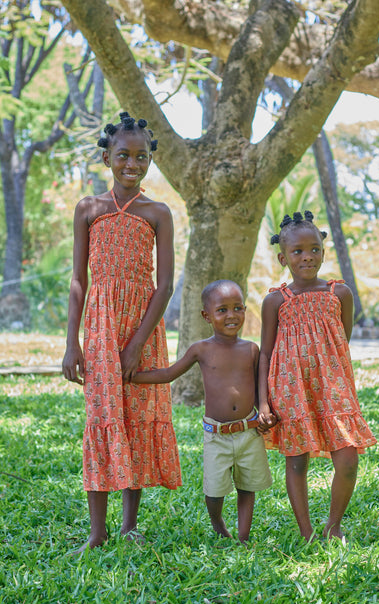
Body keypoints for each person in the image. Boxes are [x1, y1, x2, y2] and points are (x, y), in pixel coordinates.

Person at [62, 111, 181, 552]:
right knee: (102, 417)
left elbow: (165, 284)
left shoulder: (158, 213)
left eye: (142, 156)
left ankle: (130, 526)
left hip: (143, 326)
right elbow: (79, 280)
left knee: (137, 420)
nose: (133, 163)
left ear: (150, 160)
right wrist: (72, 341)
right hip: (99, 327)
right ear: (108, 157)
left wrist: (136, 345)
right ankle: (98, 532)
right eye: (123, 155)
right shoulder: (88, 209)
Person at [258, 211, 377, 542]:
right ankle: (307, 531)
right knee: (297, 464)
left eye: (314, 249)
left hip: (334, 391)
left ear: (324, 251)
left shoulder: (340, 294)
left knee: (348, 459)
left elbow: (343, 338)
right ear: (284, 257)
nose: (307, 256)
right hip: (291, 392)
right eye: (297, 251)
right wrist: (263, 401)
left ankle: (333, 525)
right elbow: (265, 352)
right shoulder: (275, 301)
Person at [132, 280, 275, 543]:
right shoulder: (202, 349)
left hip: (248, 430)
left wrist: (265, 410)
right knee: (214, 489)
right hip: (217, 434)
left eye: (238, 308)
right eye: (222, 310)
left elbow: (259, 387)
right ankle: (217, 521)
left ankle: (243, 536)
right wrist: (130, 377)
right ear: (206, 316)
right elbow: (168, 374)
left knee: (247, 486)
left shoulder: (250, 349)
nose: (231, 315)